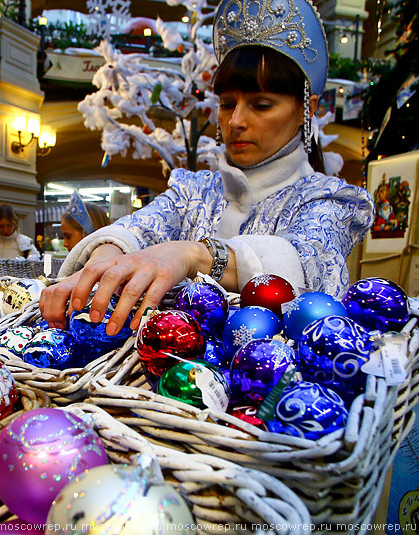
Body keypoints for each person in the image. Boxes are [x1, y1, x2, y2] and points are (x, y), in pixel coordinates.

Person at [39, 0, 374, 337]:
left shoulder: (331, 201)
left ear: (308, 108)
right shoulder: (194, 191)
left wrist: (192, 254)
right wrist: (105, 257)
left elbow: (306, 265)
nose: (236, 121)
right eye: (227, 104)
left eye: (261, 105)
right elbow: (140, 228)